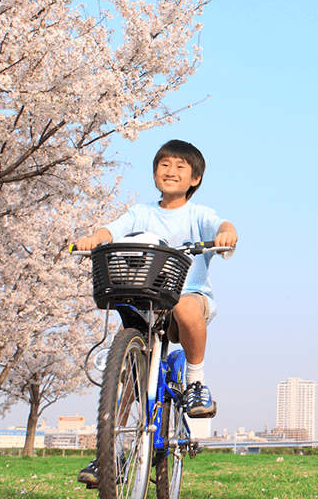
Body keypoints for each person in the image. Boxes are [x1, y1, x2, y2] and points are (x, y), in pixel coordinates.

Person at [74, 139, 238, 487]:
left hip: (188, 299)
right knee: (131, 375)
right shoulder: (140, 213)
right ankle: (112, 449)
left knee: (186, 304)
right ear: (153, 172)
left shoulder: (197, 214)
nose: (171, 171)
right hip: (145, 300)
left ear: (195, 179)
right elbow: (112, 229)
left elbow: (222, 226)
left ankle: (195, 383)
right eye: (164, 165)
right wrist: (94, 238)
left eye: (181, 167)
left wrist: (226, 235)